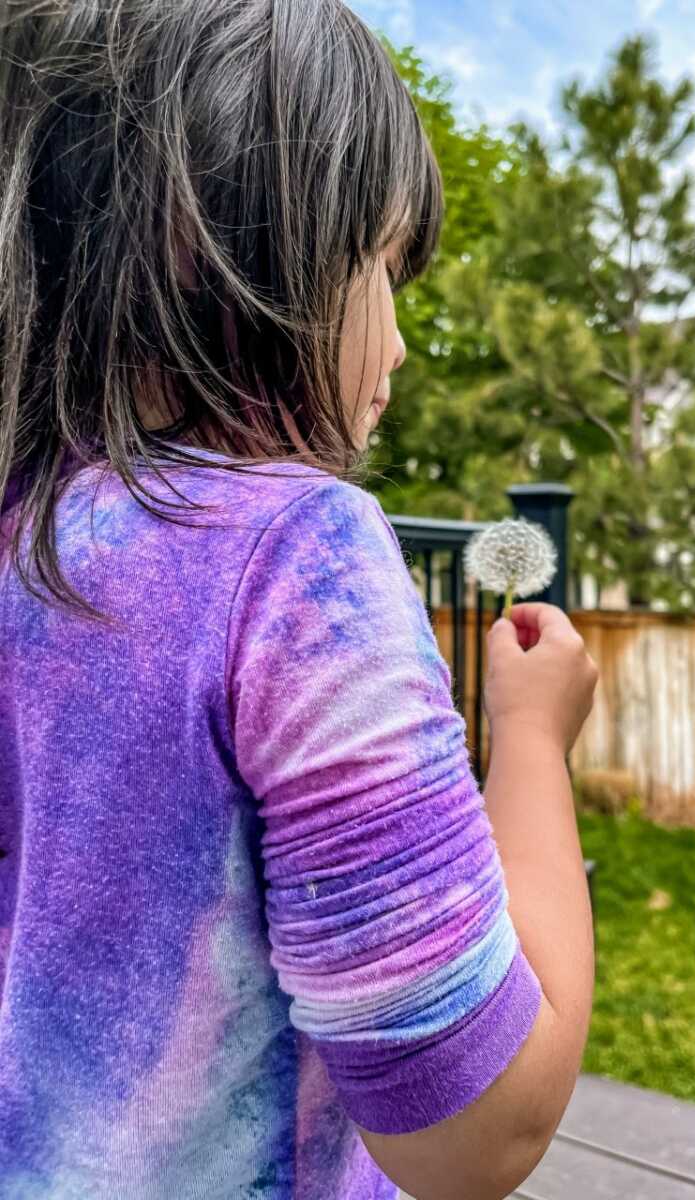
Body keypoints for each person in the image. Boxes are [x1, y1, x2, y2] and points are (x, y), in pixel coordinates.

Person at [0, 2, 599, 1197]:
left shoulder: (25, 530)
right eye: (379, 266)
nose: (403, 345)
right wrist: (532, 743)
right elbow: (478, 1129)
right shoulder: (296, 553)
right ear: (214, 242)